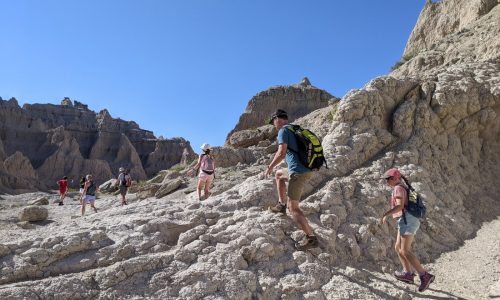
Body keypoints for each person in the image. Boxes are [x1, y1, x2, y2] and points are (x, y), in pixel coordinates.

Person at [264, 109, 318, 250]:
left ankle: (311, 238)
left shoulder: (283, 131)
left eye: (273, 121)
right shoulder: (295, 129)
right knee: (279, 174)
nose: (273, 124)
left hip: (298, 172)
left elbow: (281, 152)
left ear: (276, 119)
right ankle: (281, 206)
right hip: (307, 169)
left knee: (293, 207)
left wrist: (269, 167)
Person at [381, 168, 435, 292]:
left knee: (405, 250)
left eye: (388, 179)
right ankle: (408, 274)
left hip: (408, 220)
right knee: (398, 248)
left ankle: (424, 275)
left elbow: (399, 206)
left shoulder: (398, 188)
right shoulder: (401, 187)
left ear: (395, 178)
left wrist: (386, 214)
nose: (386, 182)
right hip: (404, 220)